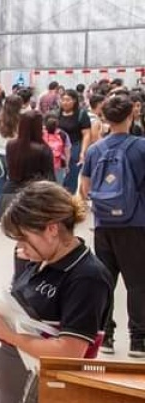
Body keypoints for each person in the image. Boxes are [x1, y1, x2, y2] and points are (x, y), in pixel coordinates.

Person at [0, 181, 112, 403]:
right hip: (13, 386)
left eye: (24, 238)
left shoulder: (87, 277)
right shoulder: (40, 258)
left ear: (52, 229)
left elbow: (69, 352)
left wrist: (7, 334)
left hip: (43, 395)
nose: (20, 247)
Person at [80, 92, 145, 357]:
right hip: (136, 224)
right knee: (138, 284)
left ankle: (104, 336)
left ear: (104, 118)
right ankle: (138, 341)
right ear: (132, 114)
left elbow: (85, 189)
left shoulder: (96, 149)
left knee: (105, 281)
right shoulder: (141, 147)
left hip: (104, 225)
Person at [0, 110, 55, 217]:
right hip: (35, 195)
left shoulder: (10, 145)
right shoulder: (42, 149)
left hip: (11, 191)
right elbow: (50, 177)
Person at [0, 94, 23, 219]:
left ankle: (0, 212)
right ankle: (13, 212)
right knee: (16, 185)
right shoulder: (22, 120)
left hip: (0, 156)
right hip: (17, 155)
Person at [59, 88, 92, 194]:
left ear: (74, 101)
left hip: (75, 148)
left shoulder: (81, 114)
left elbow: (86, 134)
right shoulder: (56, 114)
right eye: (63, 100)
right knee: (59, 177)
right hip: (59, 150)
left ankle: (69, 197)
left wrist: (83, 152)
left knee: (72, 176)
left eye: (68, 100)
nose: (65, 102)